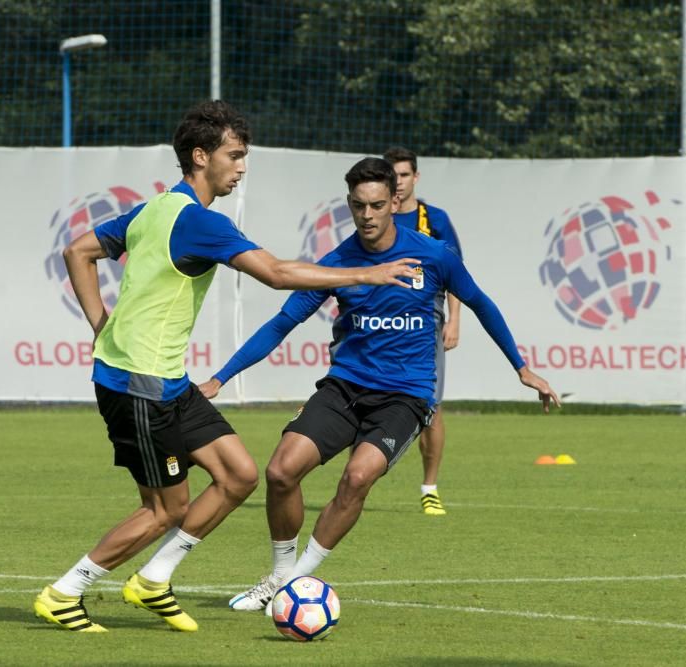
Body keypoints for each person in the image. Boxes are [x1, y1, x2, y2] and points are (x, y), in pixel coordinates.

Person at [33, 102, 421, 633]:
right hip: (137, 386)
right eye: (234, 155)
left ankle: (152, 580)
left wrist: (102, 326)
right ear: (200, 156)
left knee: (239, 473)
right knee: (165, 509)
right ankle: (65, 591)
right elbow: (279, 274)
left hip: (167, 382)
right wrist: (368, 274)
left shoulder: (154, 210)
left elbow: (78, 251)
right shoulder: (198, 222)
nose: (241, 167)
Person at [199, 157, 559, 612]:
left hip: (405, 397)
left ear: (395, 201)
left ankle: (292, 583)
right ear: (349, 205)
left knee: (357, 476)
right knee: (280, 471)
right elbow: (281, 324)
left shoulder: (433, 255)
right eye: (357, 206)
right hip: (344, 387)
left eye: (375, 205)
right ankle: (279, 574)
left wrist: (521, 367)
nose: (367, 215)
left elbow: (481, 303)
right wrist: (220, 378)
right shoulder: (338, 263)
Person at [383, 146, 461, 516]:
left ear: (415, 177)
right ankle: (359, 479)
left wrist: (454, 319)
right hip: (380, 325)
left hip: (423, 327)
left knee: (430, 405)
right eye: (391, 174)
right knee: (360, 398)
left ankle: (429, 487)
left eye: (403, 174)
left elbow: (455, 273)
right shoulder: (375, 217)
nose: (397, 181)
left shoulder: (434, 220)